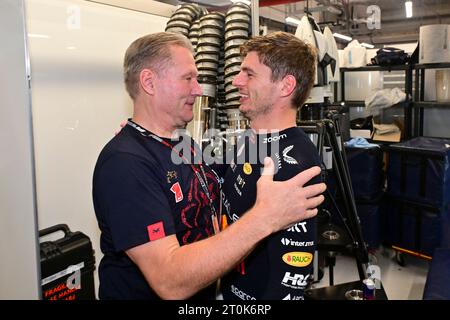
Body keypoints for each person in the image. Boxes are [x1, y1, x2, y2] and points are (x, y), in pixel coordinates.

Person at [92, 32, 326, 300]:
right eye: (188, 78)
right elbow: (169, 282)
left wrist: (147, 138)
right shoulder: (126, 163)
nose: (198, 89)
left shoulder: (183, 144)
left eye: (249, 75)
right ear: (148, 82)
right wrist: (264, 218)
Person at [220, 32, 321, 300]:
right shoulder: (252, 137)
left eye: (249, 74)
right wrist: (148, 140)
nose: (236, 81)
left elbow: (290, 281)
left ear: (285, 86)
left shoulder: (295, 166)